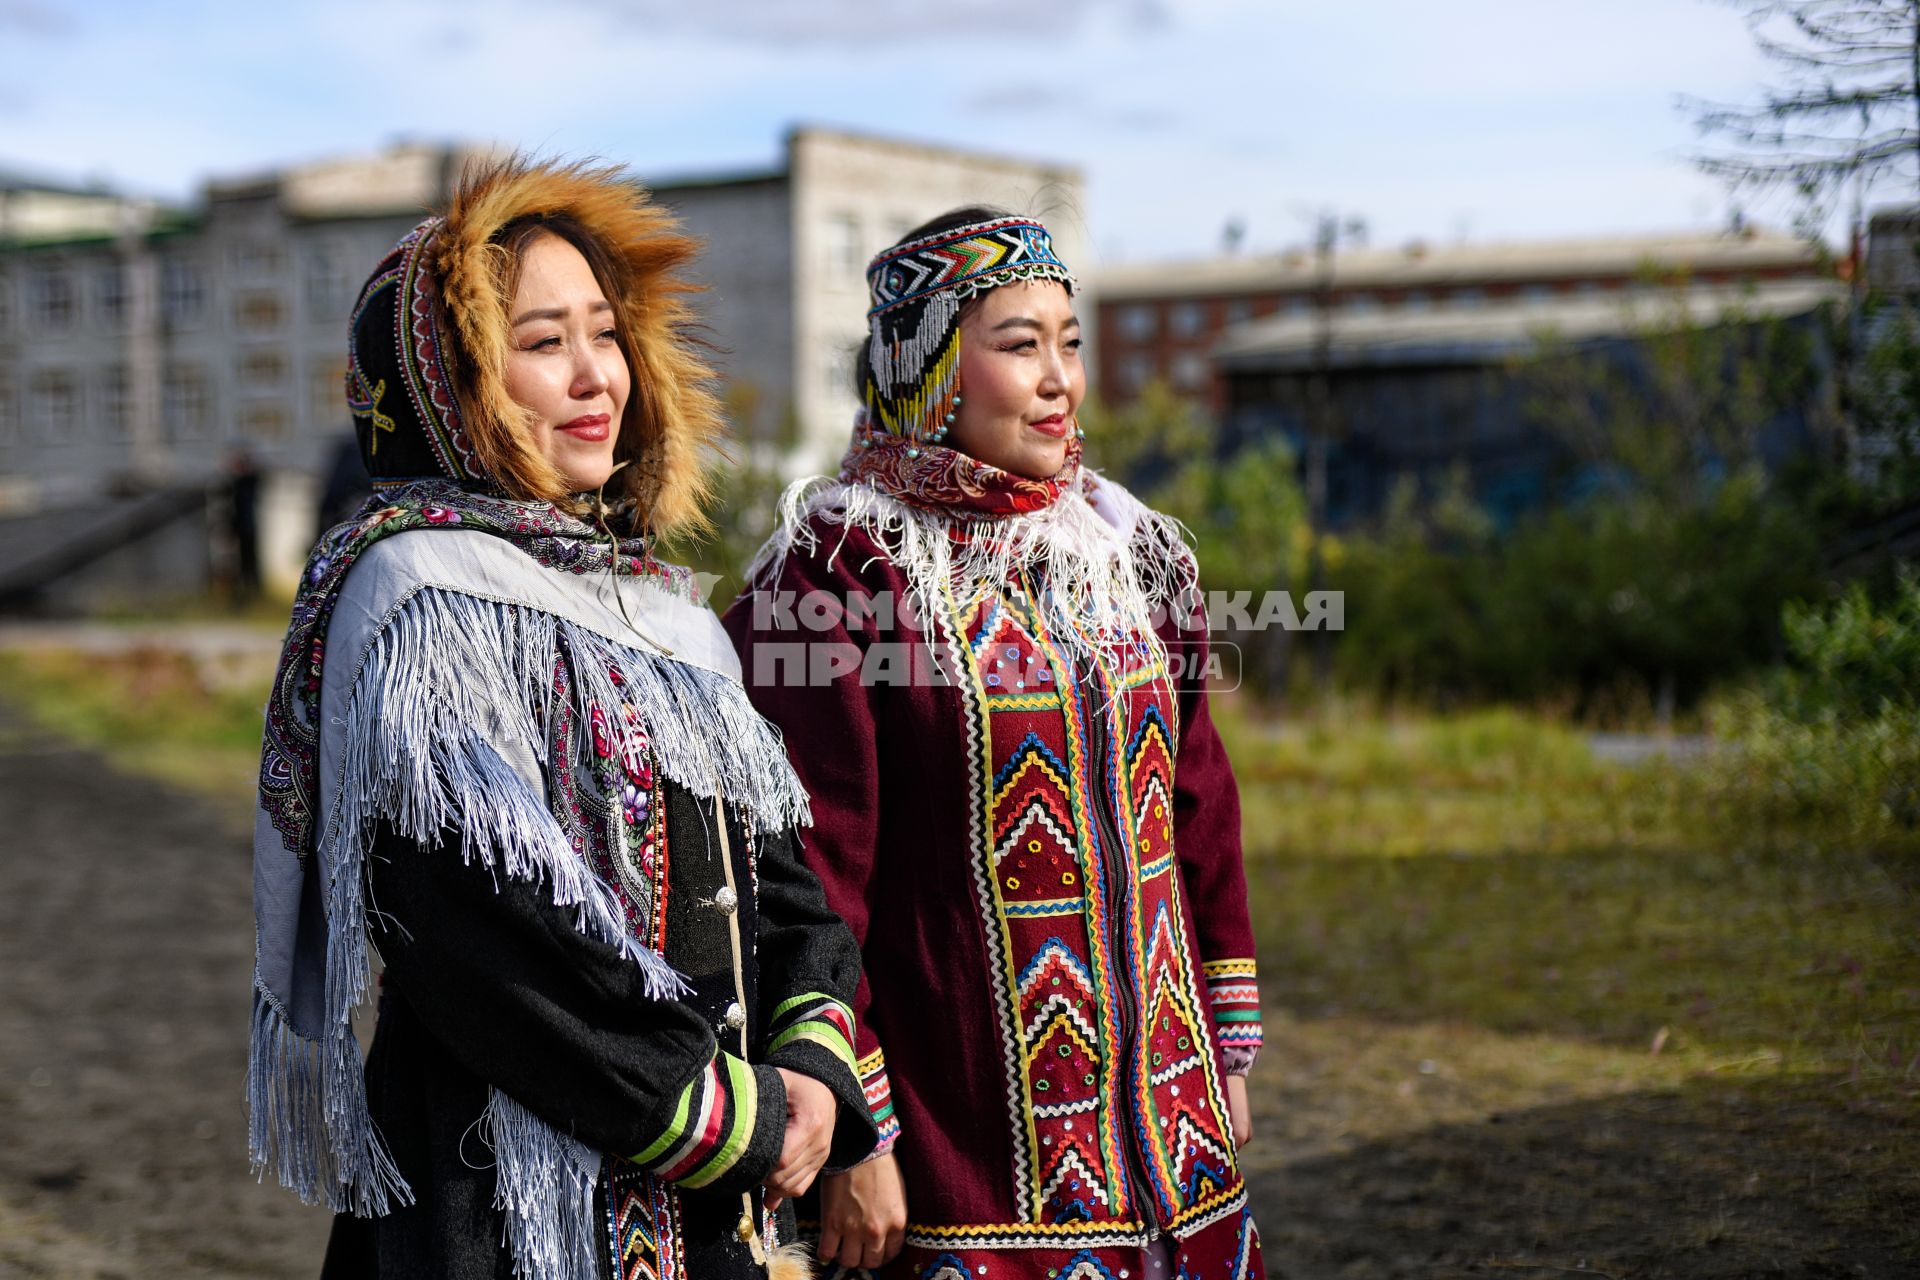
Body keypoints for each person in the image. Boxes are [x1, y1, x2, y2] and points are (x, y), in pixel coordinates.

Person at [249, 156, 875, 1280]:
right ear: (448, 384)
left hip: (713, 1217)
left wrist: (815, 1068)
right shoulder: (419, 609)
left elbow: (781, 885)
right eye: (541, 344)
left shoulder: (656, 615)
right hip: (499, 1207)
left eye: (605, 333)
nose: (598, 376)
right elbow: (489, 947)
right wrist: (739, 1113)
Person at [724, 210, 1267, 1279]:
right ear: (927, 370)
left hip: (1172, 1148)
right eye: (1020, 344)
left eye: (1069, 339)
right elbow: (803, 880)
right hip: (959, 1158)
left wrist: (1221, 1041)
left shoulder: (1126, 553)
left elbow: (1196, 801)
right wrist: (855, 1126)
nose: (1060, 376)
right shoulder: (837, 576)